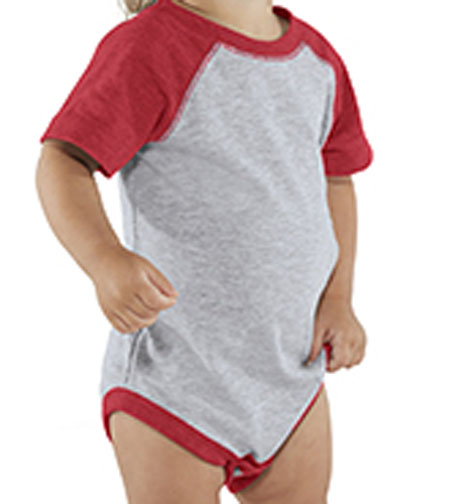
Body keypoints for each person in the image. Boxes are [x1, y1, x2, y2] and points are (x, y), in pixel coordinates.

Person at [36, 0, 374, 502]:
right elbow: (63, 160)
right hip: (175, 379)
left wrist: (338, 298)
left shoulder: (317, 61)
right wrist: (105, 260)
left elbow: (337, 178)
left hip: (291, 377)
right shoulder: (150, 46)